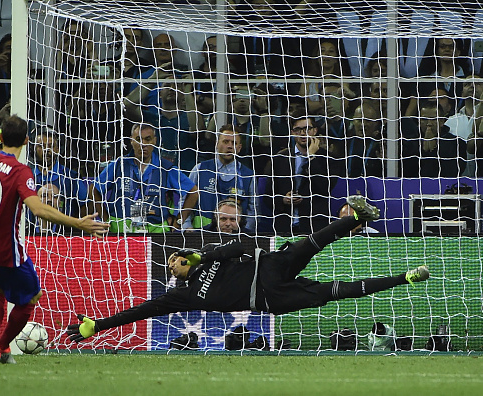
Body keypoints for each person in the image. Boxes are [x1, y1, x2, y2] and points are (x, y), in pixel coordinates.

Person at [67, 196, 430, 343]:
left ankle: (355, 217)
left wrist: (205, 257)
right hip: (271, 297)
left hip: (269, 264)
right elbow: (144, 310)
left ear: (182, 255)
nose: (172, 268)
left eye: (174, 261)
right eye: (170, 267)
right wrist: (97, 325)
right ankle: (405, 278)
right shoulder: (183, 295)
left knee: (311, 243)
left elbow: (244, 245)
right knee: (333, 292)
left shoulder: (209, 251)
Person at [0, 115, 109, 364]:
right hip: (8, 250)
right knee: (32, 298)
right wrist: (78, 223)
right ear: (26, 140)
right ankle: (3, 346)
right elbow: (38, 209)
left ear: (1, 138)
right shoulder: (20, 171)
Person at [89, 124, 198, 233]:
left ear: (154, 141)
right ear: (131, 141)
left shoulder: (165, 168)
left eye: (147, 139)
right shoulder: (119, 165)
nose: (143, 144)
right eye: (138, 139)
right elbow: (93, 189)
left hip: (156, 231)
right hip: (120, 230)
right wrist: (105, 218)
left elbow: (194, 192)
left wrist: (179, 221)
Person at [263, 113, 339, 235]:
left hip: (314, 227)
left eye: (307, 129)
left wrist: (312, 158)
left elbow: (326, 187)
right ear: (292, 132)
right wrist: (283, 199)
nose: (303, 133)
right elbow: (267, 196)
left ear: (315, 131)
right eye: (298, 130)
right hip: (285, 226)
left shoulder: (329, 159)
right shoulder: (279, 159)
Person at [186, 125, 258, 232]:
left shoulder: (248, 175)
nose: (229, 146)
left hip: (235, 236)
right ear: (217, 144)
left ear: (239, 148)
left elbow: (253, 210)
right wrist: (187, 226)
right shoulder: (200, 169)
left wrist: (246, 232)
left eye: (234, 143)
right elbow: (185, 200)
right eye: (225, 142)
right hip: (201, 235)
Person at [401, 102, 466, 178]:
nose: (429, 123)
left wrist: (434, 151)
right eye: (424, 119)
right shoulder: (408, 143)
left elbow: (453, 172)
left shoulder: (456, 143)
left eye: (434, 119)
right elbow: (406, 172)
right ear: (419, 121)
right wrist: (424, 152)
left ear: (442, 122)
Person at [31, 129, 87, 217]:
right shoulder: (28, 177)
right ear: (34, 149)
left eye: (51, 146)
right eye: (41, 146)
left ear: (57, 150)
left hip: (64, 229)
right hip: (32, 229)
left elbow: (85, 205)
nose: (46, 150)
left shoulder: (71, 177)